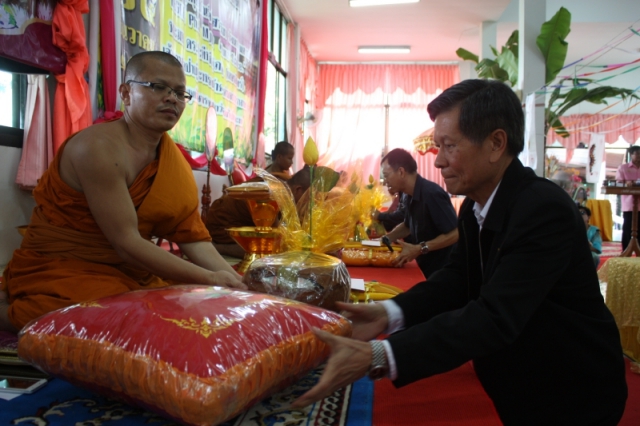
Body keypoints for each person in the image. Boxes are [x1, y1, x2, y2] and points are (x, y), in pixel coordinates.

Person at [291, 80, 627, 425]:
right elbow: (457, 279)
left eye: (449, 146)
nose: (438, 162)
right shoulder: (474, 208)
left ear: (496, 143)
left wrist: (381, 353)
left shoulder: (542, 209)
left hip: (571, 390)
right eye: (438, 147)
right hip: (522, 382)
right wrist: (388, 312)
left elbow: (495, 315)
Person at [0, 51, 246, 333]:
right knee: (104, 321)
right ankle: (7, 312)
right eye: (158, 87)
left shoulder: (171, 159)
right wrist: (209, 278)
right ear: (126, 93)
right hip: (66, 266)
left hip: (130, 270)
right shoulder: (97, 148)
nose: (172, 99)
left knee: (185, 309)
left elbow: (192, 237)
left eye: (180, 93)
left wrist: (233, 280)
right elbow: (126, 242)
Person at [379, 148, 458, 279]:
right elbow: (408, 226)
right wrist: (386, 239)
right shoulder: (408, 194)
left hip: (441, 270)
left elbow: (455, 233)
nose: (385, 181)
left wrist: (420, 248)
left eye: (386, 175)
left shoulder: (431, 194)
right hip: (425, 264)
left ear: (401, 172)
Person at [205, 167, 311, 258]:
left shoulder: (284, 186)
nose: (310, 204)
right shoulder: (275, 192)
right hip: (222, 223)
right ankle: (218, 248)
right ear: (298, 190)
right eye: (309, 198)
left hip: (246, 221)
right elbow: (277, 235)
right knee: (270, 248)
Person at [616, 145, 640, 251]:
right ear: (631, 154)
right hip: (629, 203)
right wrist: (627, 183)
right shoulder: (623, 168)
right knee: (627, 228)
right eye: (637, 153)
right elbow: (618, 183)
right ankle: (625, 250)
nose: (639, 156)